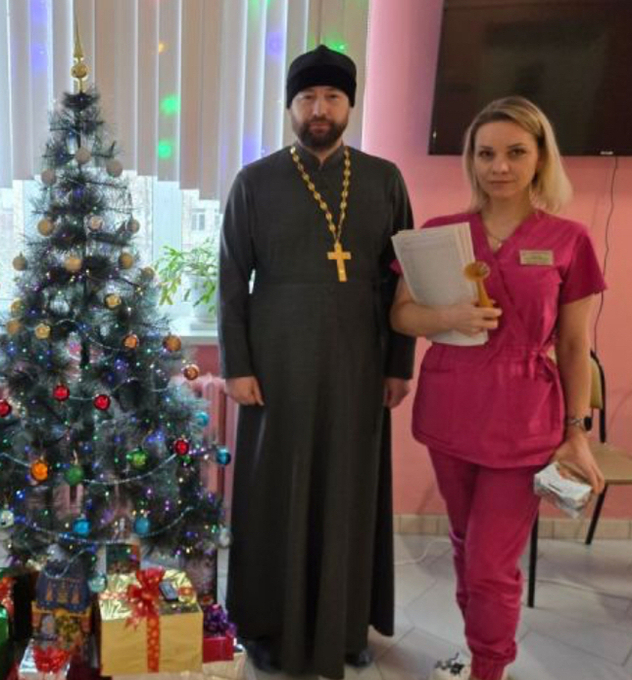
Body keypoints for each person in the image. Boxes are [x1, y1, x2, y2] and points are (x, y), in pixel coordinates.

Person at [390, 96, 606, 680]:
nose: (499, 166)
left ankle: (489, 666)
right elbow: (401, 316)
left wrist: (577, 434)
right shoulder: (439, 234)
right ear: (471, 161)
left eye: (515, 152)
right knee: (465, 543)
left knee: (490, 563)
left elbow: (573, 346)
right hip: (450, 411)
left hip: (525, 420)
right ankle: (477, 650)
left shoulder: (569, 240)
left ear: (540, 159)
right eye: (485, 154)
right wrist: (447, 318)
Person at [217, 45, 416, 679]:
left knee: (348, 488)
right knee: (274, 489)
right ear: (290, 107)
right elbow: (231, 280)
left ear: (349, 105)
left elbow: (404, 279)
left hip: (360, 359)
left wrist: (399, 363)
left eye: (332, 97)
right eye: (307, 98)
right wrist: (237, 365)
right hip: (276, 361)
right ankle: (268, 625)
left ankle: (345, 624)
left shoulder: (384, 179)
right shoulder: (255, 181)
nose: (319, 109)